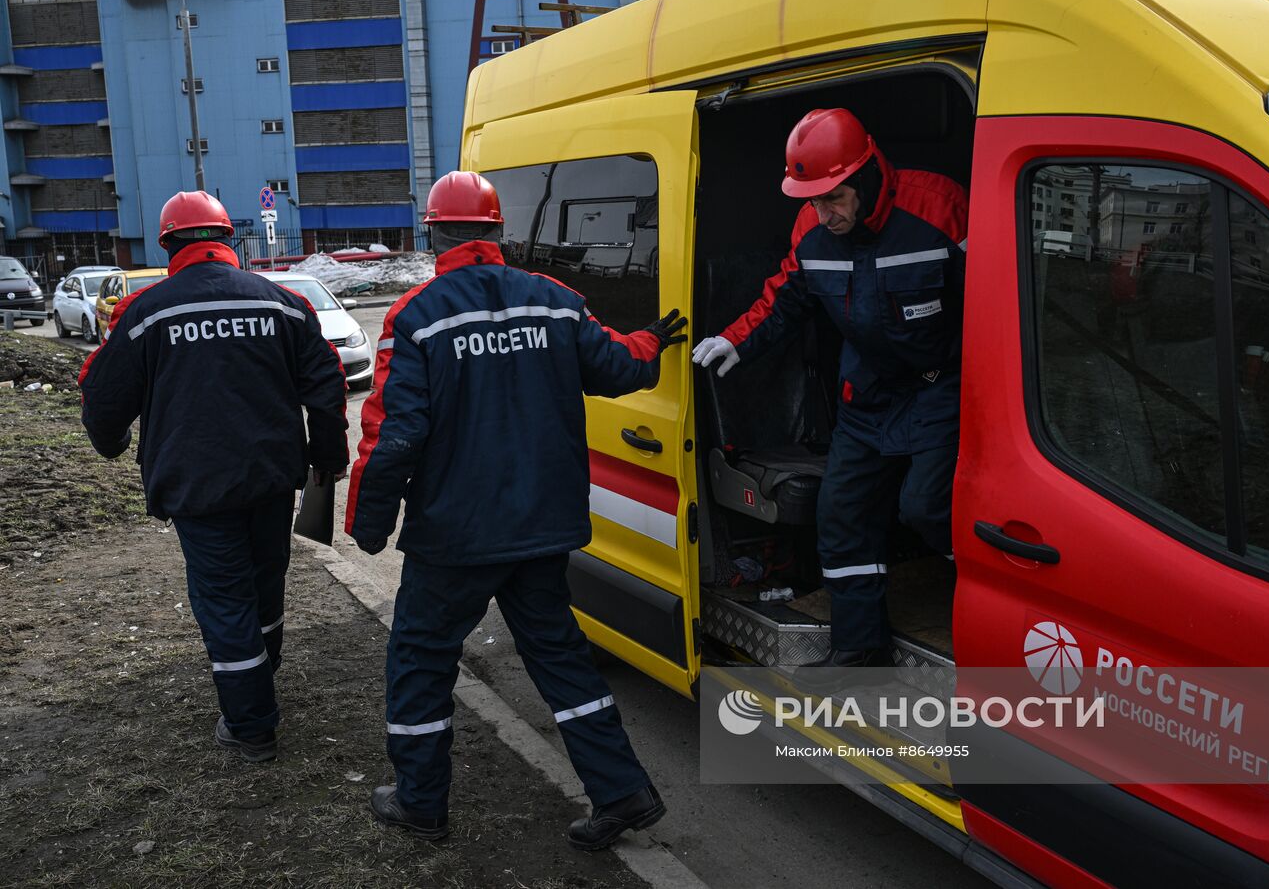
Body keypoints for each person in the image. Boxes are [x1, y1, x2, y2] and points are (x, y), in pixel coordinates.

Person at [346, 171, 687, 846]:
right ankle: (621, 793)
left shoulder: (416, 314)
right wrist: (653, 340)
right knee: (560, 658)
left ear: (436, 233)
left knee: (420, 659)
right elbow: (618, 366)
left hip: (456, 537)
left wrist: (369, 523)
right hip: (541, 528)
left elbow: (394, 436)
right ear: (498, 232)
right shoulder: (556, 301)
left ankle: (420, 801)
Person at [692, 108, 969, 674]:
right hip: (866, 396)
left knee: (927, 509)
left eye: (835, 198)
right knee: (841, 516)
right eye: (813, 200)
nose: (825, 213)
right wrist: (735, 342)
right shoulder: (811, 229)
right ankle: (860, 647)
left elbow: (996, 299)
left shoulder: (939, 206)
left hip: (941, 389)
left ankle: (988, 621)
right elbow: (784, 299)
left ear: (868, 177)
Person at [79, 190, 348, 762]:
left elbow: (103, 396)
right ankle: (261, 675)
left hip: (197, 485)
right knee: (265, 581)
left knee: (224, 600)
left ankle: (251, 726)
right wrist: (327, 457)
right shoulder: (281, 303)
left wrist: (113, 443)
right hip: (274, 477)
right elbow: (328, 381)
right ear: (227, 240)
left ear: (169, 243)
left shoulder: (146, 312)